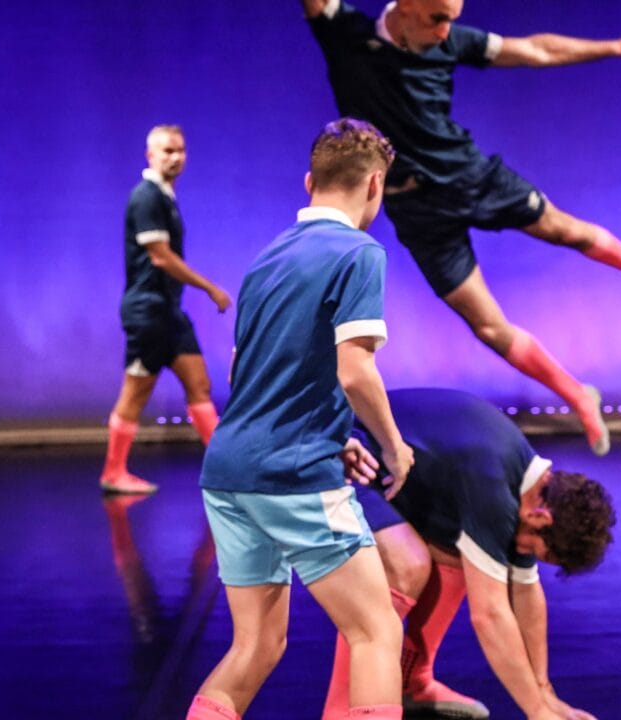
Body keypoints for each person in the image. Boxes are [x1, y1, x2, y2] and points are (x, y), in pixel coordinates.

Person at [301, 0, 621, 457]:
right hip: (417, 211)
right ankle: (577, 393)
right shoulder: (345, 31)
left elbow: (537, 50)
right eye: (437, 18)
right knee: (489, 326)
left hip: (471, 177)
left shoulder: (454, 41)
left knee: (566, 230)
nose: (446, 30)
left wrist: (614, 47)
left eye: (452, 19)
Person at [187, 118, 416, 720]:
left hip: (229, 472)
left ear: (310, 181)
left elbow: (245, 370)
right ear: (374, 186)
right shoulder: (360, 253)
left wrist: (329, 430)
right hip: (292, 477)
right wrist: (393, 448)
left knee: (256, 644)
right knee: (376, 632)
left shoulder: (266, 259)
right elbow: (355, 372)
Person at [321, 387, 616, 720]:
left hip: (386, 471)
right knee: (405, 565)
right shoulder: (494, 483)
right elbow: (489, 615)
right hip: (339, 453)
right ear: (541, 517)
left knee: (461, 557)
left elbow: (525, 590)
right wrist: (535, 712)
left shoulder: (528, 484)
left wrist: (545, 694)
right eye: (532, 549)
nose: (519, 553)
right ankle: (344, 710)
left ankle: (410, 683)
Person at [100, 125, 234, 495]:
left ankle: (226, 471)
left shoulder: (165, 197)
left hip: (169, 313)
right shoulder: (146, 197)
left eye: (180, 150)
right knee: (136, 393)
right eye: (167, 151)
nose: (175, 157)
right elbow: (160, 256)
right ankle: (113, 472)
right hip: (147, 312)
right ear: (150, 156)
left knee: (200, 385)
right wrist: (210, 288)